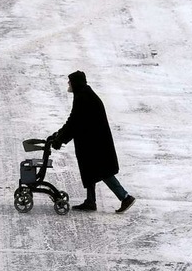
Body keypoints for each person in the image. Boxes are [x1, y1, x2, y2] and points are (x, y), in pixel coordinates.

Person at [50, 71, 135, 213]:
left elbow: (75, 121)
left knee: (103, 171)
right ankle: (90, 201)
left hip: (95, 143)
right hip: (91, 141)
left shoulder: (83, 97)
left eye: (70, 81)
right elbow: (74, 119)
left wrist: (60, 139)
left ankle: (125, 197)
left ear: (75, 83)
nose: (68, 84)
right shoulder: (83, 94)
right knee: (90, 171)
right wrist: (60, 134)